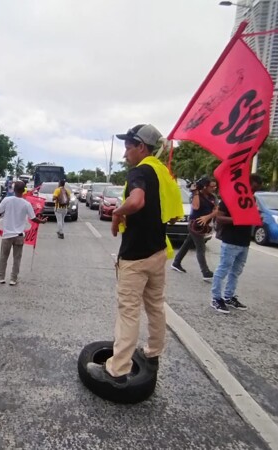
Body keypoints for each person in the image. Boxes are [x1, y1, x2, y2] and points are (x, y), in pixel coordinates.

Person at [86, 124, 182, 387]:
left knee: (128, 311)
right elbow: (171, 214)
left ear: (142, 147)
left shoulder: (140, 171)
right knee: (155, 305)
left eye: (129, 146)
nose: (126, 152)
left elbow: (137, 201)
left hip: (136, 256)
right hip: (158, 252)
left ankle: (117, 370)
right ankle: (153, 352)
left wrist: (118, 213)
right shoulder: (163, 173)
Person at [210, 174, 263, 314]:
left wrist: (256, 217)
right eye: (253, 188)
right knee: (223, 270)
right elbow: (219, 218)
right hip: (230, 240)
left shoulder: (252, 199)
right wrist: (237, 219)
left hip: (244, 241)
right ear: (247, 184)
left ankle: (229, 296)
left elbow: (250, 216)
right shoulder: (230, 197)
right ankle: (216, 298)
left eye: (257, 189)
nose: (254, 192)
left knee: (236, 272)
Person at [0, 181, 47, 285]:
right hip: (19, 236)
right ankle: (13, 279)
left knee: (3, 257)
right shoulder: (26, 204)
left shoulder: (7, 200)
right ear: (24, 190)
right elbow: (33, 218)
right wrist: (42, 221)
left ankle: (1, 277)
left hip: (7, 236)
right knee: (17, 259)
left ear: (13, 189)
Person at [171, 177, 217, 280]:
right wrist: (195, 192)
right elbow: (196, 207)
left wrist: (207, 217)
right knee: (201, 247)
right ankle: (205, 272)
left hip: (204, 225)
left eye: (215, 186)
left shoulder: (213, 197)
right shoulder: (195, 195)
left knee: (187, 243)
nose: (214, 188)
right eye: (212, 186)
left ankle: (176, 262)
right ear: (205, 186)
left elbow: (216, 210)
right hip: (194, 225)